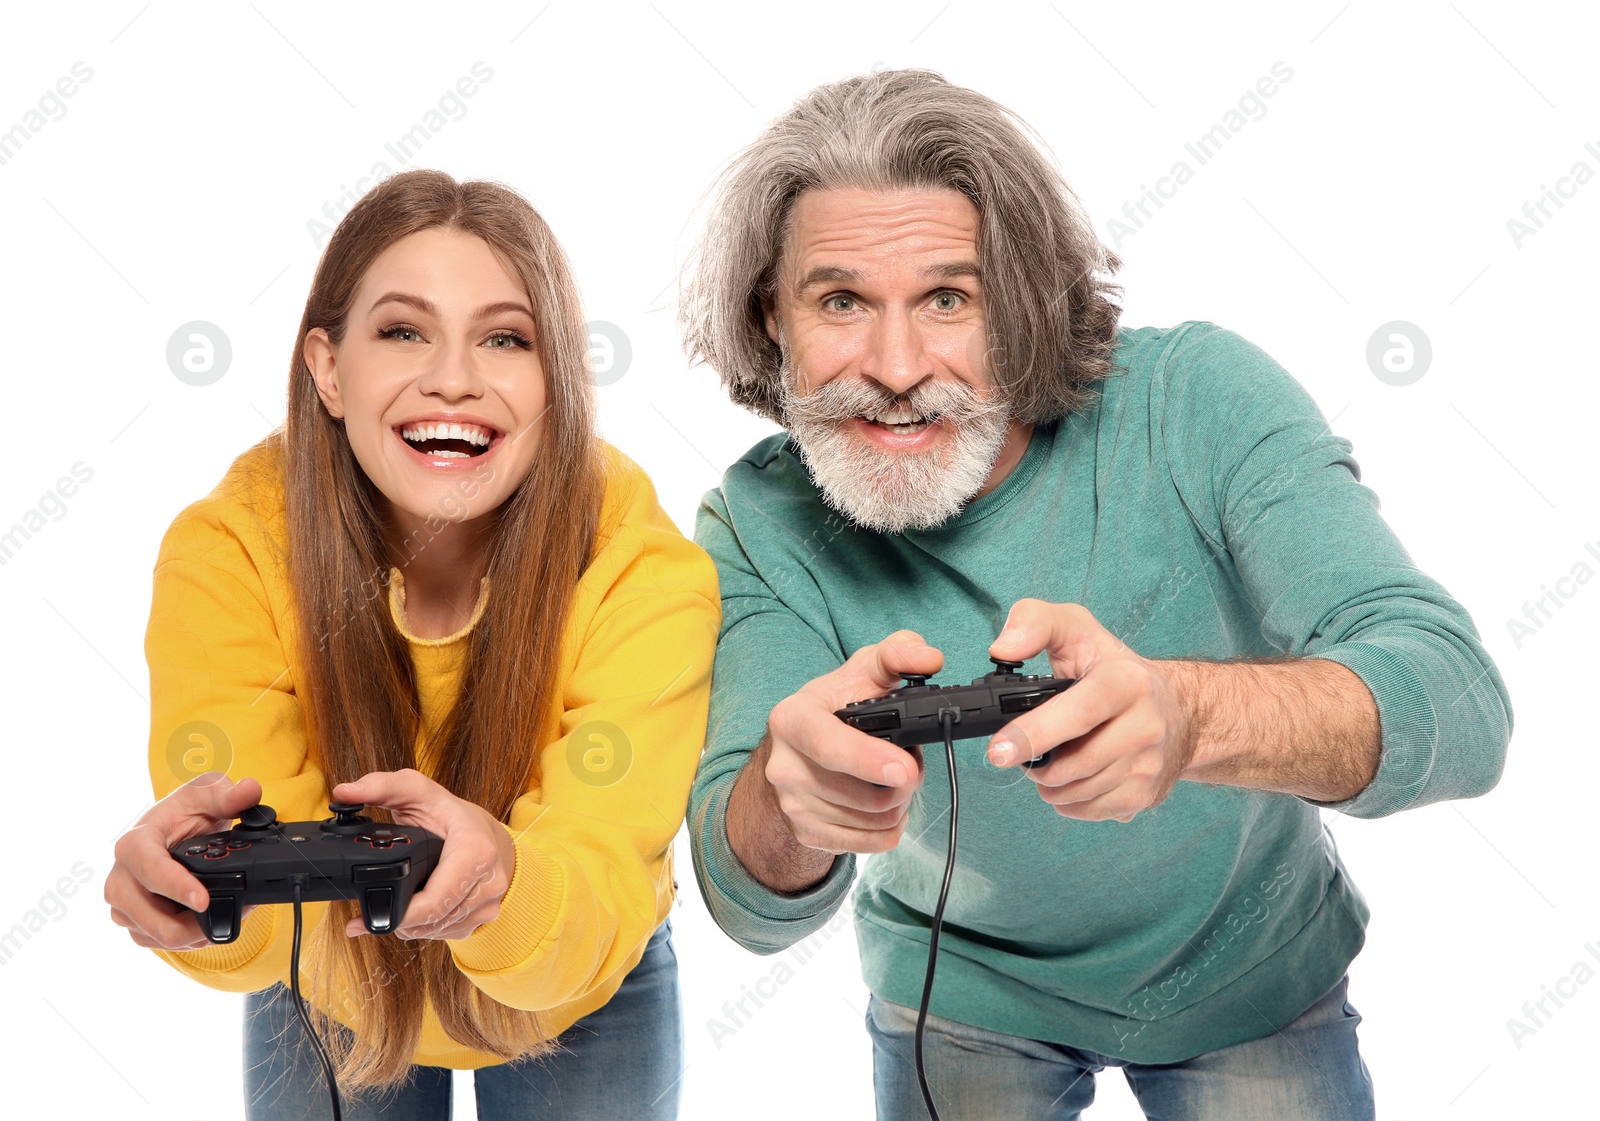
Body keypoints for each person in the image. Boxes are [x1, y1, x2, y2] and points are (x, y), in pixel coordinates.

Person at [679, 69, 1511, 1121]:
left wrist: (1187, 715)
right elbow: (743, 896)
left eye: (948, 297)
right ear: (774, 315)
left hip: (1246, 966)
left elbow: (1461, 708)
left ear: (1017, 300)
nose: (893, 366)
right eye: (840, 299)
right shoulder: (755, 524)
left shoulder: (1197, 399)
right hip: (959, 992)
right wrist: (789, 795)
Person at [103, 169, 719, 1120]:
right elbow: (260, 905)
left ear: (554, 379)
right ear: (328, 369)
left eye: (506, 339)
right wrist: (196, 907)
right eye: (402, 330)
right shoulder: (226, 551)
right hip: (334, 979)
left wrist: (506, 881)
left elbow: (599, 862)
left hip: (574, 972)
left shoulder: (645, 568)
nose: (455, 378)